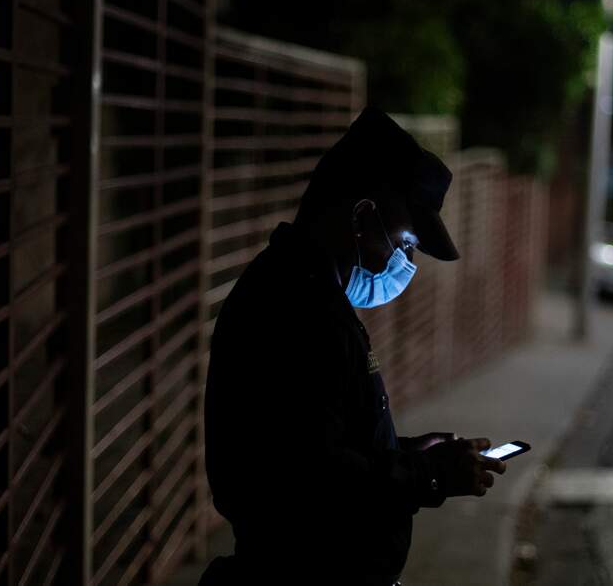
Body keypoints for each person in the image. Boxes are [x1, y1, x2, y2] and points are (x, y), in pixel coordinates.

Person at [200, 107, 506, 585]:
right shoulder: (296, 310)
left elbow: (320, 438)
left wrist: (403, 451)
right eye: (404, 241)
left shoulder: (309, 294)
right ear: (362, 217)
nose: (403, 261)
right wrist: (428, 474)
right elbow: (313, 479)